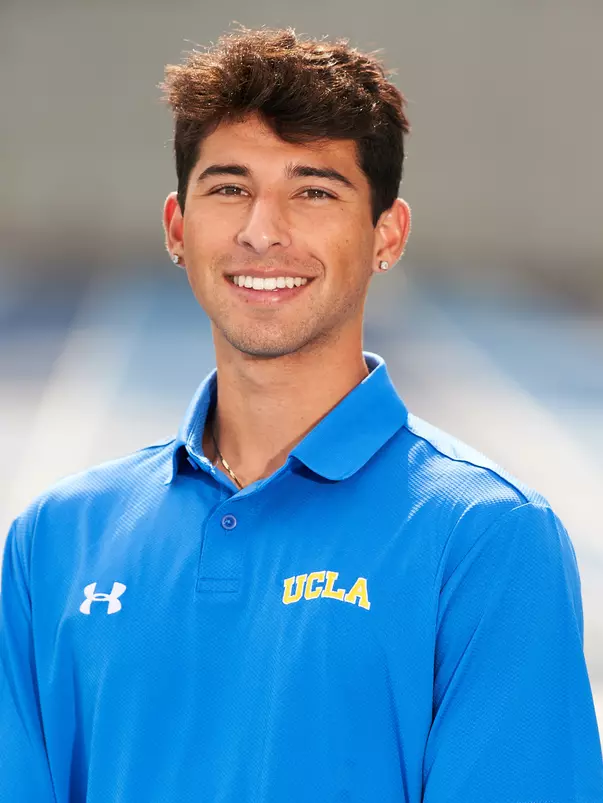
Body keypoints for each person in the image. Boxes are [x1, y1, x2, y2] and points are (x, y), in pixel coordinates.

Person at [1, 26, 602, 803]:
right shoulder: (55, 538)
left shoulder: (485, 538)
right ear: (178, 229)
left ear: (386, 236)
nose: (262, 230)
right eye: (229, 188)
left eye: (313, 191)